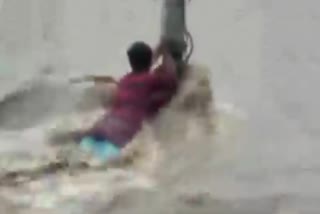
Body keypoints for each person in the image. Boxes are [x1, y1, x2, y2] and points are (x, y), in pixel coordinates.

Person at [67, 40, 178, 161]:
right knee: (106, 153)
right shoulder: (150, 80)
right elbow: (172, 80)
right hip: (122, 130)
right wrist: (167, 54)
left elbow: (143, 71)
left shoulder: (125, 80)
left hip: (106, 123)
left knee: (85, 144)